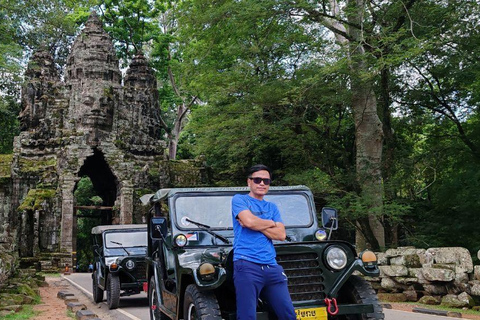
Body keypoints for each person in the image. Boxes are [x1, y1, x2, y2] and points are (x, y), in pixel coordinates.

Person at [231, 164, 296, 320]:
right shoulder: (239, 200)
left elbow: (281, 234)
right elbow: (249, 222)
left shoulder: (271, 207)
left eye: (266, 181)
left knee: (288, 315)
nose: (262, 184)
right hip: (246, 265)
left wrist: (255, 223)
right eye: (257, 180)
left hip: (271, 266)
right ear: (249, 182)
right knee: (247, 316)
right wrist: (271, 223)